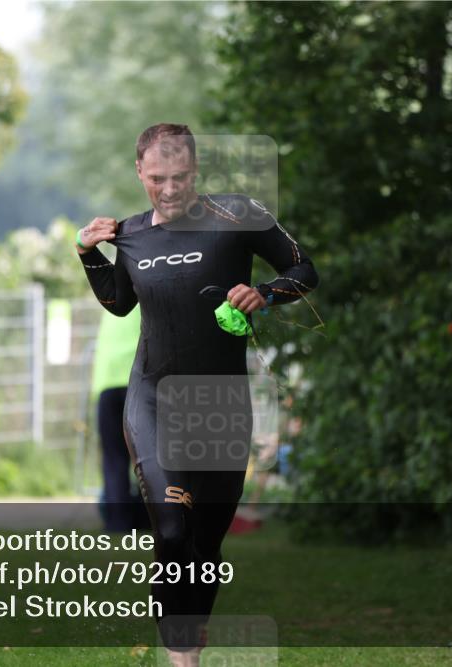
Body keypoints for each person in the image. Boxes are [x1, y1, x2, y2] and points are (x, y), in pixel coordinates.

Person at [74, 123, 319, 667]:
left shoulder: (238, 215)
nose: (168, 189)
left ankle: (192, 627)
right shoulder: (132, 234)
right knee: (171, 524)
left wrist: (265, 293)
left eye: (179, 178)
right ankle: (181, 656)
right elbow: (118, 302)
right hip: (153, 398)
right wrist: (87, 252)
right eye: (157, 178)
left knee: (205, 542)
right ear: (139, 172)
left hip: (221, 404)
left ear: (196, 170)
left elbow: (305, 270)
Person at [91, 307, 150, 533]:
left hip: (107, 383)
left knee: (114, 459)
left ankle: (117, 524)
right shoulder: (147, 296)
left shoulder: (111, 305)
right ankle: (159, 519)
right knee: (149, 456)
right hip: (139, 381)